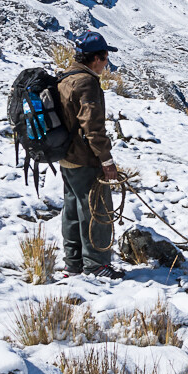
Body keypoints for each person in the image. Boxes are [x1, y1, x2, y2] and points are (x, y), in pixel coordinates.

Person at [57, 31, 124, 279]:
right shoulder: (87, 82)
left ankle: (73, 263)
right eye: (105, 57)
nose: (107, 62)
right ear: (95, 58)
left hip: (66, 157)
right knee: (97, 210)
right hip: (85, 159)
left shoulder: (65, 77)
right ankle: (96, 264)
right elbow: (93, 127)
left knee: (73, 211)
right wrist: (106, 161)